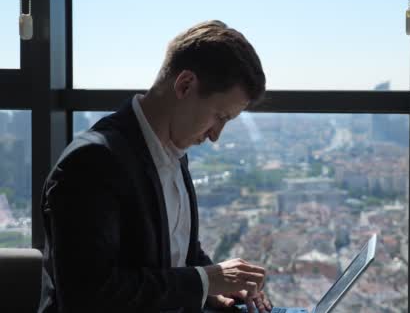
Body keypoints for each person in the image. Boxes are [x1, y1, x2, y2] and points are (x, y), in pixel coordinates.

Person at [38, 20, 273, 313]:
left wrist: (216, 289)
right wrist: (204, 281)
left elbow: (175, 254)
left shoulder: (173, 151)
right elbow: (87, 295)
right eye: (219, 116)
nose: (216, 135)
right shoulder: (92, 162)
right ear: (185, 85)